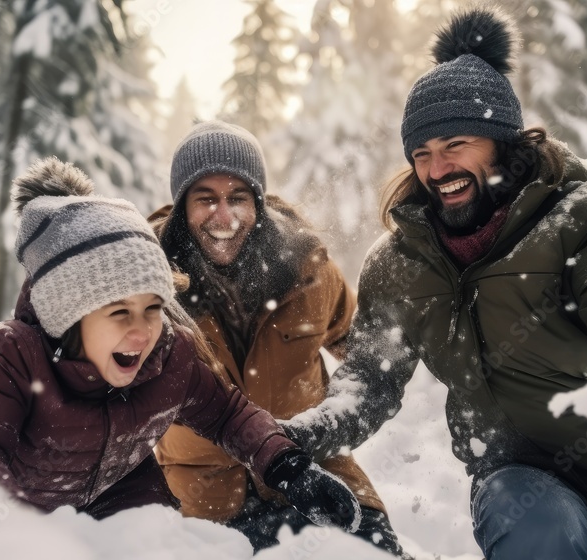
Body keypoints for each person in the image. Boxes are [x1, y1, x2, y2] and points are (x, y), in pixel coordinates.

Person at [281, 8, 587, 560]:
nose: (437, 168)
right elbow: (370, 379)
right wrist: (305, 433)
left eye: (457, 144)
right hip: (520, 483)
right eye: (422, 153)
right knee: (540, 535)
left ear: (503, 141)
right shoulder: (400, 263)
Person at [0, 157, 361, 534]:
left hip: (126, 514)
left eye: (153, 308)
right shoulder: (10, 357)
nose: (142, 332)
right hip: (23, 528)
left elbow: (228, 414)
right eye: (119, 313)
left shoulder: (168, 356)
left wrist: (288, 466)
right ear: (69, 313)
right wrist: (17, 532)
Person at [150, 121, 405, 556]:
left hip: (317, 470)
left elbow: (368, 347)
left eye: (237, 198)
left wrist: (336, 420)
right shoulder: (152, 290)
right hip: (202, 497)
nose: (224, 216)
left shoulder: (308, 271)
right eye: (205, 199)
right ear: (181, 209)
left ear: (258, 203)